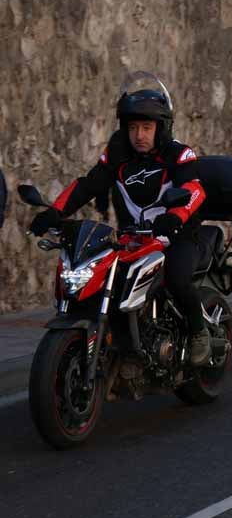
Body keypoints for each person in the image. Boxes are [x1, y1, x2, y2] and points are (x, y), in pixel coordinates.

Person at [29, 74, 212, 365]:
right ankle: (125, 347)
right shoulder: (117, 153)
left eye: (147, 127)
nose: (139, 134)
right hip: (133, 238)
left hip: (176, 235)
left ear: (161, 127)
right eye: (134, 127)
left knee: (177, 279)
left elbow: (194, 189)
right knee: (107, 282)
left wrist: (174, 217)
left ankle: (199, 332)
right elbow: (88, 184)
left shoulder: (178, 154)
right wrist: (54, 212)